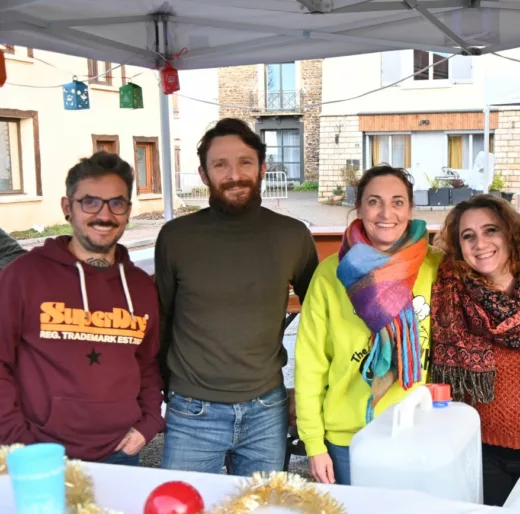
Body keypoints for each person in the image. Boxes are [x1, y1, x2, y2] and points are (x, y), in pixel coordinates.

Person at [156, 118, 319, 476]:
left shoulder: (292, 236)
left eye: (245, 162)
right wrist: (158, 392)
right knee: (182, 504)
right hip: (190, 410)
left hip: (267, 409)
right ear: (203, 174)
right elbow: (162, 319)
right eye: (221, 164)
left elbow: (324, 320)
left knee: (261, 506)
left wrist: (309, 393)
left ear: (262, 168)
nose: (235, 174)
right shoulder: (175, 237)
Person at [0, 152, 164, 465]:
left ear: (128, 211)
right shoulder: (23, 276)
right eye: (90, 202)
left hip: (122, 451)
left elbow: (148, 364)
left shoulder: (141, 287)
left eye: (117, 203)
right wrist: (16, 439)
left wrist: (149, 424)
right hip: (39, 453)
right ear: (67, 208)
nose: (105, 215)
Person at [294, 165, 442, 485]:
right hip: (349, 438)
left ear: (410, 209)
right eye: (374, 201)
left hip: (419, 432)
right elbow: (310, 365)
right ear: (359, 207)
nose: (386, 212)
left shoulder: (436, 266)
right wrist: (314, 442)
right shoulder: (331, 274)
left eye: (398, 202)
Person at [430, 194, 520, 507]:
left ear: (510, 233)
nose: (480, 243)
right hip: (480, 452)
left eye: (491, 230)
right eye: (468, 236)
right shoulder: (449, 290)